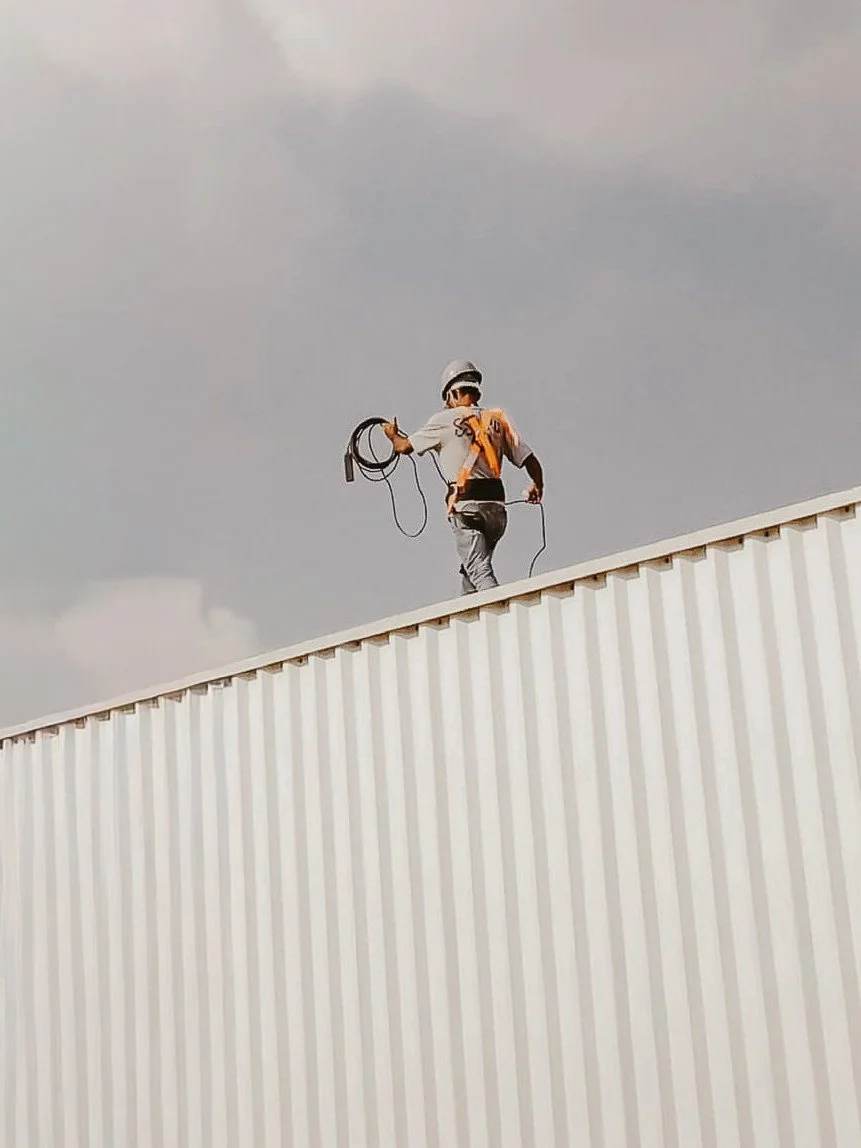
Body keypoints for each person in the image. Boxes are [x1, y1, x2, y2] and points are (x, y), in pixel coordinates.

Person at [383, 359, 544, 595]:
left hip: (467, 506)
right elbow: (530, 459)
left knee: (479, 571)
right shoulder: (497, 420)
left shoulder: (443, 420)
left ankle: (501, 615)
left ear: (453, 392)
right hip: (497, 509)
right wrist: (536, 485)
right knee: (472, 571)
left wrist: (391, 434)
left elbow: (404, 447)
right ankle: (469, 621)